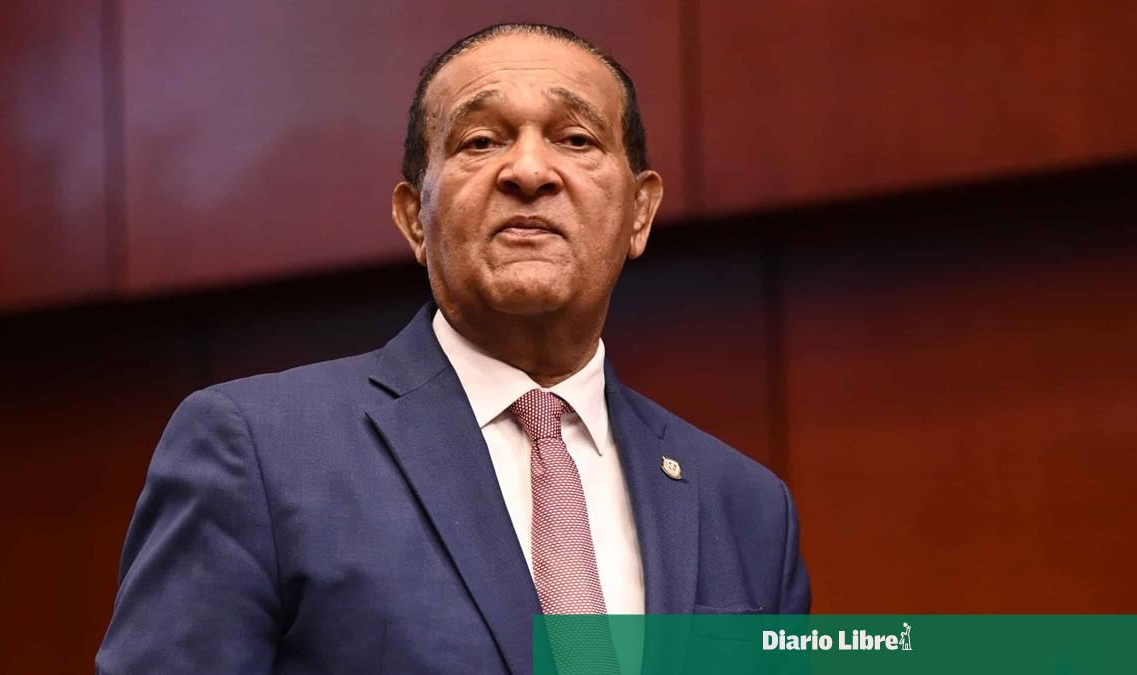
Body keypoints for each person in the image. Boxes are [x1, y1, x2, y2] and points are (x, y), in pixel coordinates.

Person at [96, 22, 810, 674]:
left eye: (575, 139)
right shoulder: (259, 452)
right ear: (415, 218)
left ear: (640, 213)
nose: (529, 170)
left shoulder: (746, 506)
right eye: (480, 141)